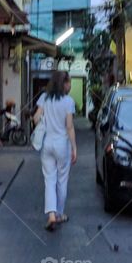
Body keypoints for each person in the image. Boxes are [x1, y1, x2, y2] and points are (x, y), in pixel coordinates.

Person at [33, 71, 77, 231]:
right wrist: (74, 148)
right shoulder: (68, 101)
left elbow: (36, 119)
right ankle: (59, 214)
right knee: (61, 181)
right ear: (63, 84)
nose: (70, 85)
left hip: (47, 144)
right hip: (62, 145)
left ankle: (51, 215)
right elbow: (69, 127)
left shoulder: (44, 98)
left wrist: (45, 119)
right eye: (69, 82)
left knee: (49, 180)